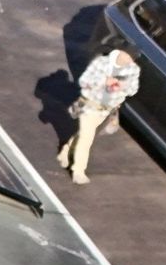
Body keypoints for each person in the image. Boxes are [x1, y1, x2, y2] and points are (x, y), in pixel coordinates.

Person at [58, 49, 141, 185]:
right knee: (87, 138)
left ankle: (65, 151)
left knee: (83, 134)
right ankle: (78, 171)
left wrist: (122, 86)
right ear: (121, 53)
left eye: (133, 59)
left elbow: (133, 90)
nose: (130, 61)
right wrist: (103, 82)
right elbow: (83, 81)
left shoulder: (133, 69)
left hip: (105, 110)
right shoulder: (101, 63)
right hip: (90, 106)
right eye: (129, 57)